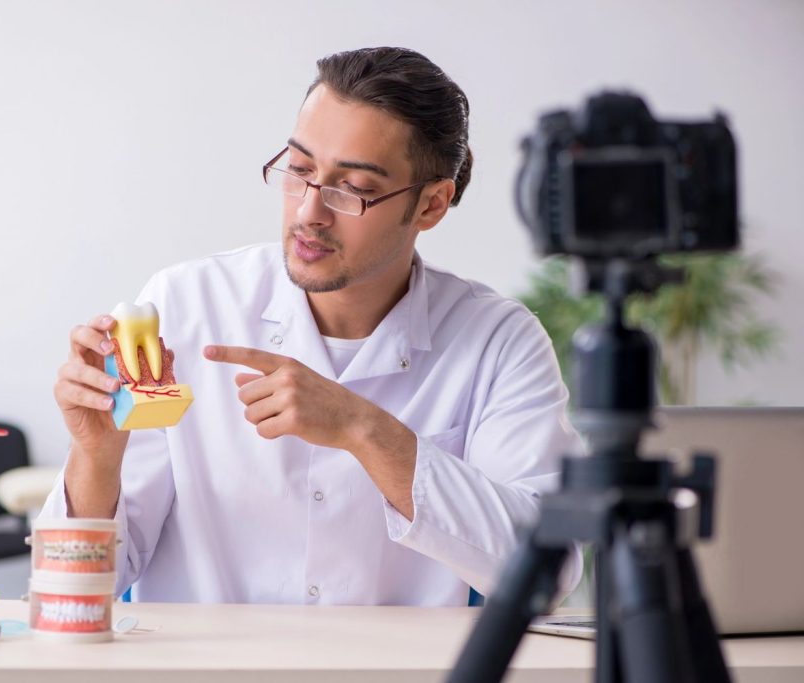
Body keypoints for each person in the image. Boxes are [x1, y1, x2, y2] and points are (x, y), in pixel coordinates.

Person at [42, 46, 583, 605]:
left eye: (354, 190)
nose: (308, 212)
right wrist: (96, 458)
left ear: (431, 205)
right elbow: (80, 590)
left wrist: (364, 430)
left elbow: (548, 575)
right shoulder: (185, 304)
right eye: (299, 171)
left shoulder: (498, 341)